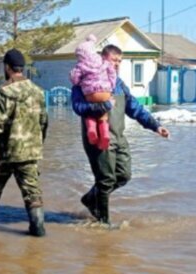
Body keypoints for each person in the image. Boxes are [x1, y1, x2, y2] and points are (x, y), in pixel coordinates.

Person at [72, 44, 171, 225]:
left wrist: (156, 126)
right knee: (105, 180)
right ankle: (104, 223)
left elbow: (134, 108)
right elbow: (78, 107)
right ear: (102, 60)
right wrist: (102, 106)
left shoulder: (119, 84)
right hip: (98, 139)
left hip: (118, 137)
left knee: (124, 176)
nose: (117, 64)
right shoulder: (84, 82)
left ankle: (90, 199)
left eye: (120, 61)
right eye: (113, 60)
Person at [0, 49, 49, 237]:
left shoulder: (3, 92)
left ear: (7, 67)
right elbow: (44, 122)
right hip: (29, 151)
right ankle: (37, 227)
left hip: (5, 152)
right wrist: (38, 144)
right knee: (32, 191)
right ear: (22, 68)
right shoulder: (38, 91)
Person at [69, 34, 116, 150]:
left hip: (90, 94)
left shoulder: (80, 64)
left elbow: (75, 79)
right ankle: (105, 134)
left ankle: (91, 130)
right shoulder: (103, 61)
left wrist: (77, 82)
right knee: (103, 115)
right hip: (105, 92)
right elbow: (112, 73)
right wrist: (111, 85)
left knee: (89, 114)